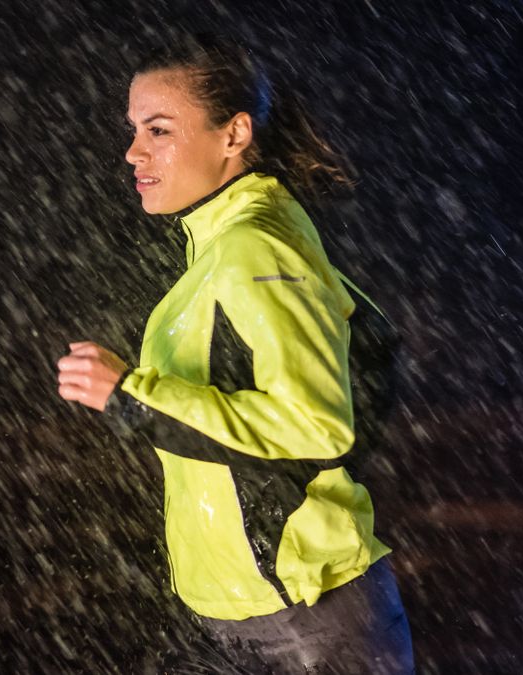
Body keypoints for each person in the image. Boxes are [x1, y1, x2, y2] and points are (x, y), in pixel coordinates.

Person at [57, 33, 414, 674]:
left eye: (159, 129)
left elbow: (315, 427)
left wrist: (132, 397)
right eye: (134, 128)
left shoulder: (256, 247)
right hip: (228, 622)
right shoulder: (219, 245)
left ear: (234, 134)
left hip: (309, 625)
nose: (134, 151)